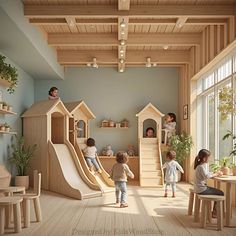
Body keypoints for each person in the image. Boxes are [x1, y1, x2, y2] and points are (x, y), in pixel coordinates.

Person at [194, 149, 223, 217]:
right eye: (208, 157)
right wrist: (216, 174)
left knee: (217, 191)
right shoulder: (201, 167)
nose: (209, 159)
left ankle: (215, 212)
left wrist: (213, 173)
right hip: (201, 189)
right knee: (221, 193)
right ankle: (215, 213)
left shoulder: (200, 166)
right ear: (204, 158)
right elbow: (207, 176)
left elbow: (206, 174)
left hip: (199, 188)